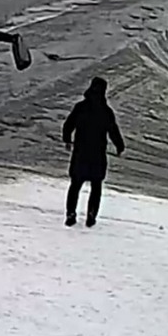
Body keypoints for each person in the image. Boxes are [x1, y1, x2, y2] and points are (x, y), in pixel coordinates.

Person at [62, 76, 124, 228]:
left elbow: (69, 124)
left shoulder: (80, 107)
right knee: (96, 186)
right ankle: (91, 215)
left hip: (81, 152)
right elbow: (113, 130)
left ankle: (71, 214)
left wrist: (67, 139)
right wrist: (119, 145)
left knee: (75, 185)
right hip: (97, 154)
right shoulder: (106, 111)